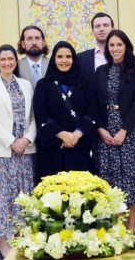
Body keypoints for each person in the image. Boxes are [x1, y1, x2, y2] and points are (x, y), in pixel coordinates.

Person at [0, 44, 37, 257]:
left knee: (22, 195)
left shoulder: (25, 85)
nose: (7, 63)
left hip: (24, 151)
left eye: (10, 59)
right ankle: (4, 241)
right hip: (2, 151)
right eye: (3, 59)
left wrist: (27, 138)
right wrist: (12, 140)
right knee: (4, 197)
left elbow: (32, 117)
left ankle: (22, 238)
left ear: (15, 61)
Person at [94, 30, 135, 231]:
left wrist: (124, 131)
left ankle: (131, 231)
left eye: (119, 44)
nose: (115, 49)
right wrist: (101, 129)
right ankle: (116, 231)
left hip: (129, 134)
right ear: (107, 48)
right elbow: (95, 105)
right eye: (111, 45)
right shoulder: (100, 72)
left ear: (126, 46)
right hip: (106, 135)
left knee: (131, 185)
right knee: (112, 184)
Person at [33, 41, 96, 181]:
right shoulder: (43, 85)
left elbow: (92, 111)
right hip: (53, 148)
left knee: (81, 196)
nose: (64, 61)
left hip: (80, 146)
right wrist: (62, 135)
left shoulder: (85, 83)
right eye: (60, 57)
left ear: (73, 59)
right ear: (54, 59)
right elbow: (41, 115)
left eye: (68, 56)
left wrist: (76, 135)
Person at [77, 12, 115, 89]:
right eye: (97, 26)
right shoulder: (80, 59)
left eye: (105, 25)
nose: (101, 29)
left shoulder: (123, 56)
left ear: (113, 29)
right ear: (93, 32)